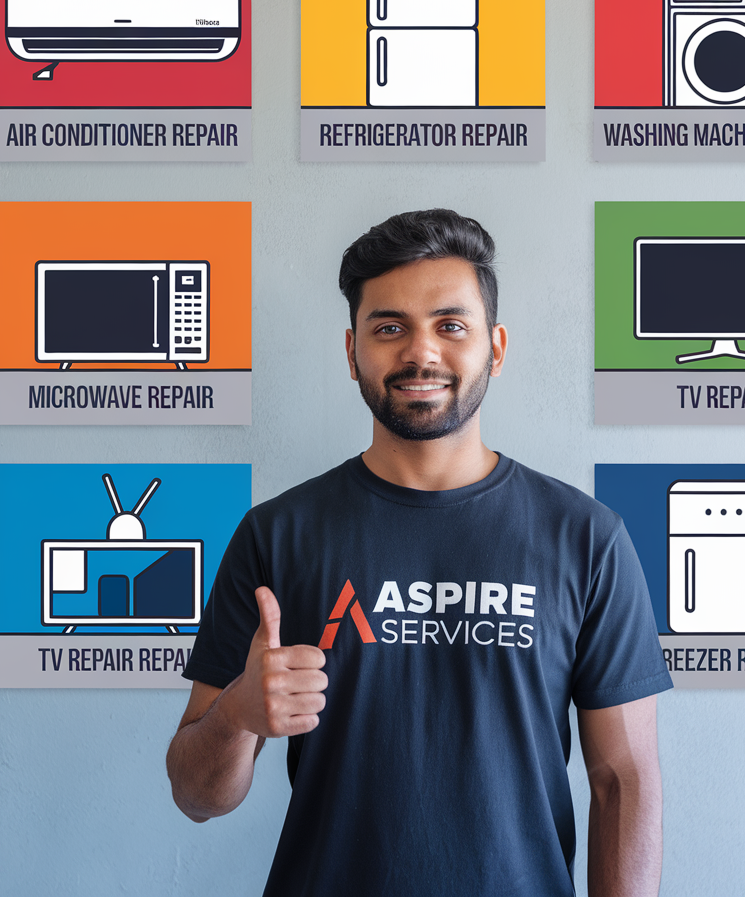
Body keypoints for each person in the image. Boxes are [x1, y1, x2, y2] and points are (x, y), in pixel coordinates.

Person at [167, 209, 672, 897]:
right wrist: (236, 715)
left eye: (450, 325)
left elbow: (623, 780)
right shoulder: (276, 536)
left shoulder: (585, 538)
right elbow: (197, 798)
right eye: (390, 327)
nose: (421, 352)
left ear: (495, 347)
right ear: (352, 353)